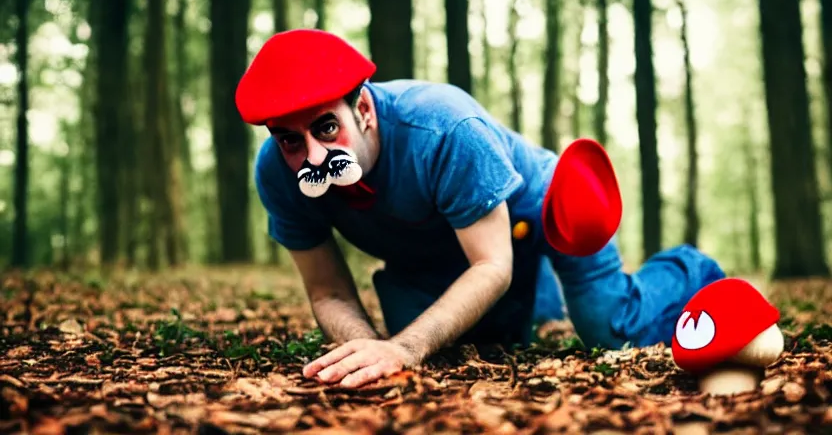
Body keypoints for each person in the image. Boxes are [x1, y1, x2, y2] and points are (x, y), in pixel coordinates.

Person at [235, 28, 726, 389]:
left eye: (325, 128)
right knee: (465, 343)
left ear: (363, 110)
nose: (312, 157)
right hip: (439, 245)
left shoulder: (445, 128)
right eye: (290, 140)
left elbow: (491, 266)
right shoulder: (278, 173)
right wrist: (367, 348)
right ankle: (538, 302)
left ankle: (689, 270)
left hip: (532, 213)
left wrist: (403, 347)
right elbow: (326, 291)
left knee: (610, 329)